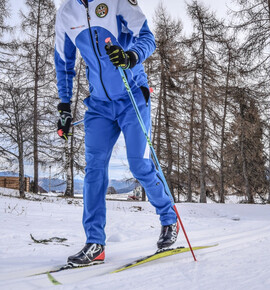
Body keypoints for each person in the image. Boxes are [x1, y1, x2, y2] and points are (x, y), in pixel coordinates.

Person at [54, 0, 179, 267]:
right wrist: (64, 106)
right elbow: (63, 63)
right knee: (94, 170)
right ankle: (95, 243)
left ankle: (169, 220)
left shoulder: (117, 1)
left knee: (140, 164)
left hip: (132, 95)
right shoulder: (66, 13)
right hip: (98, 105)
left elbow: (147, 37)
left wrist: (131, 56)